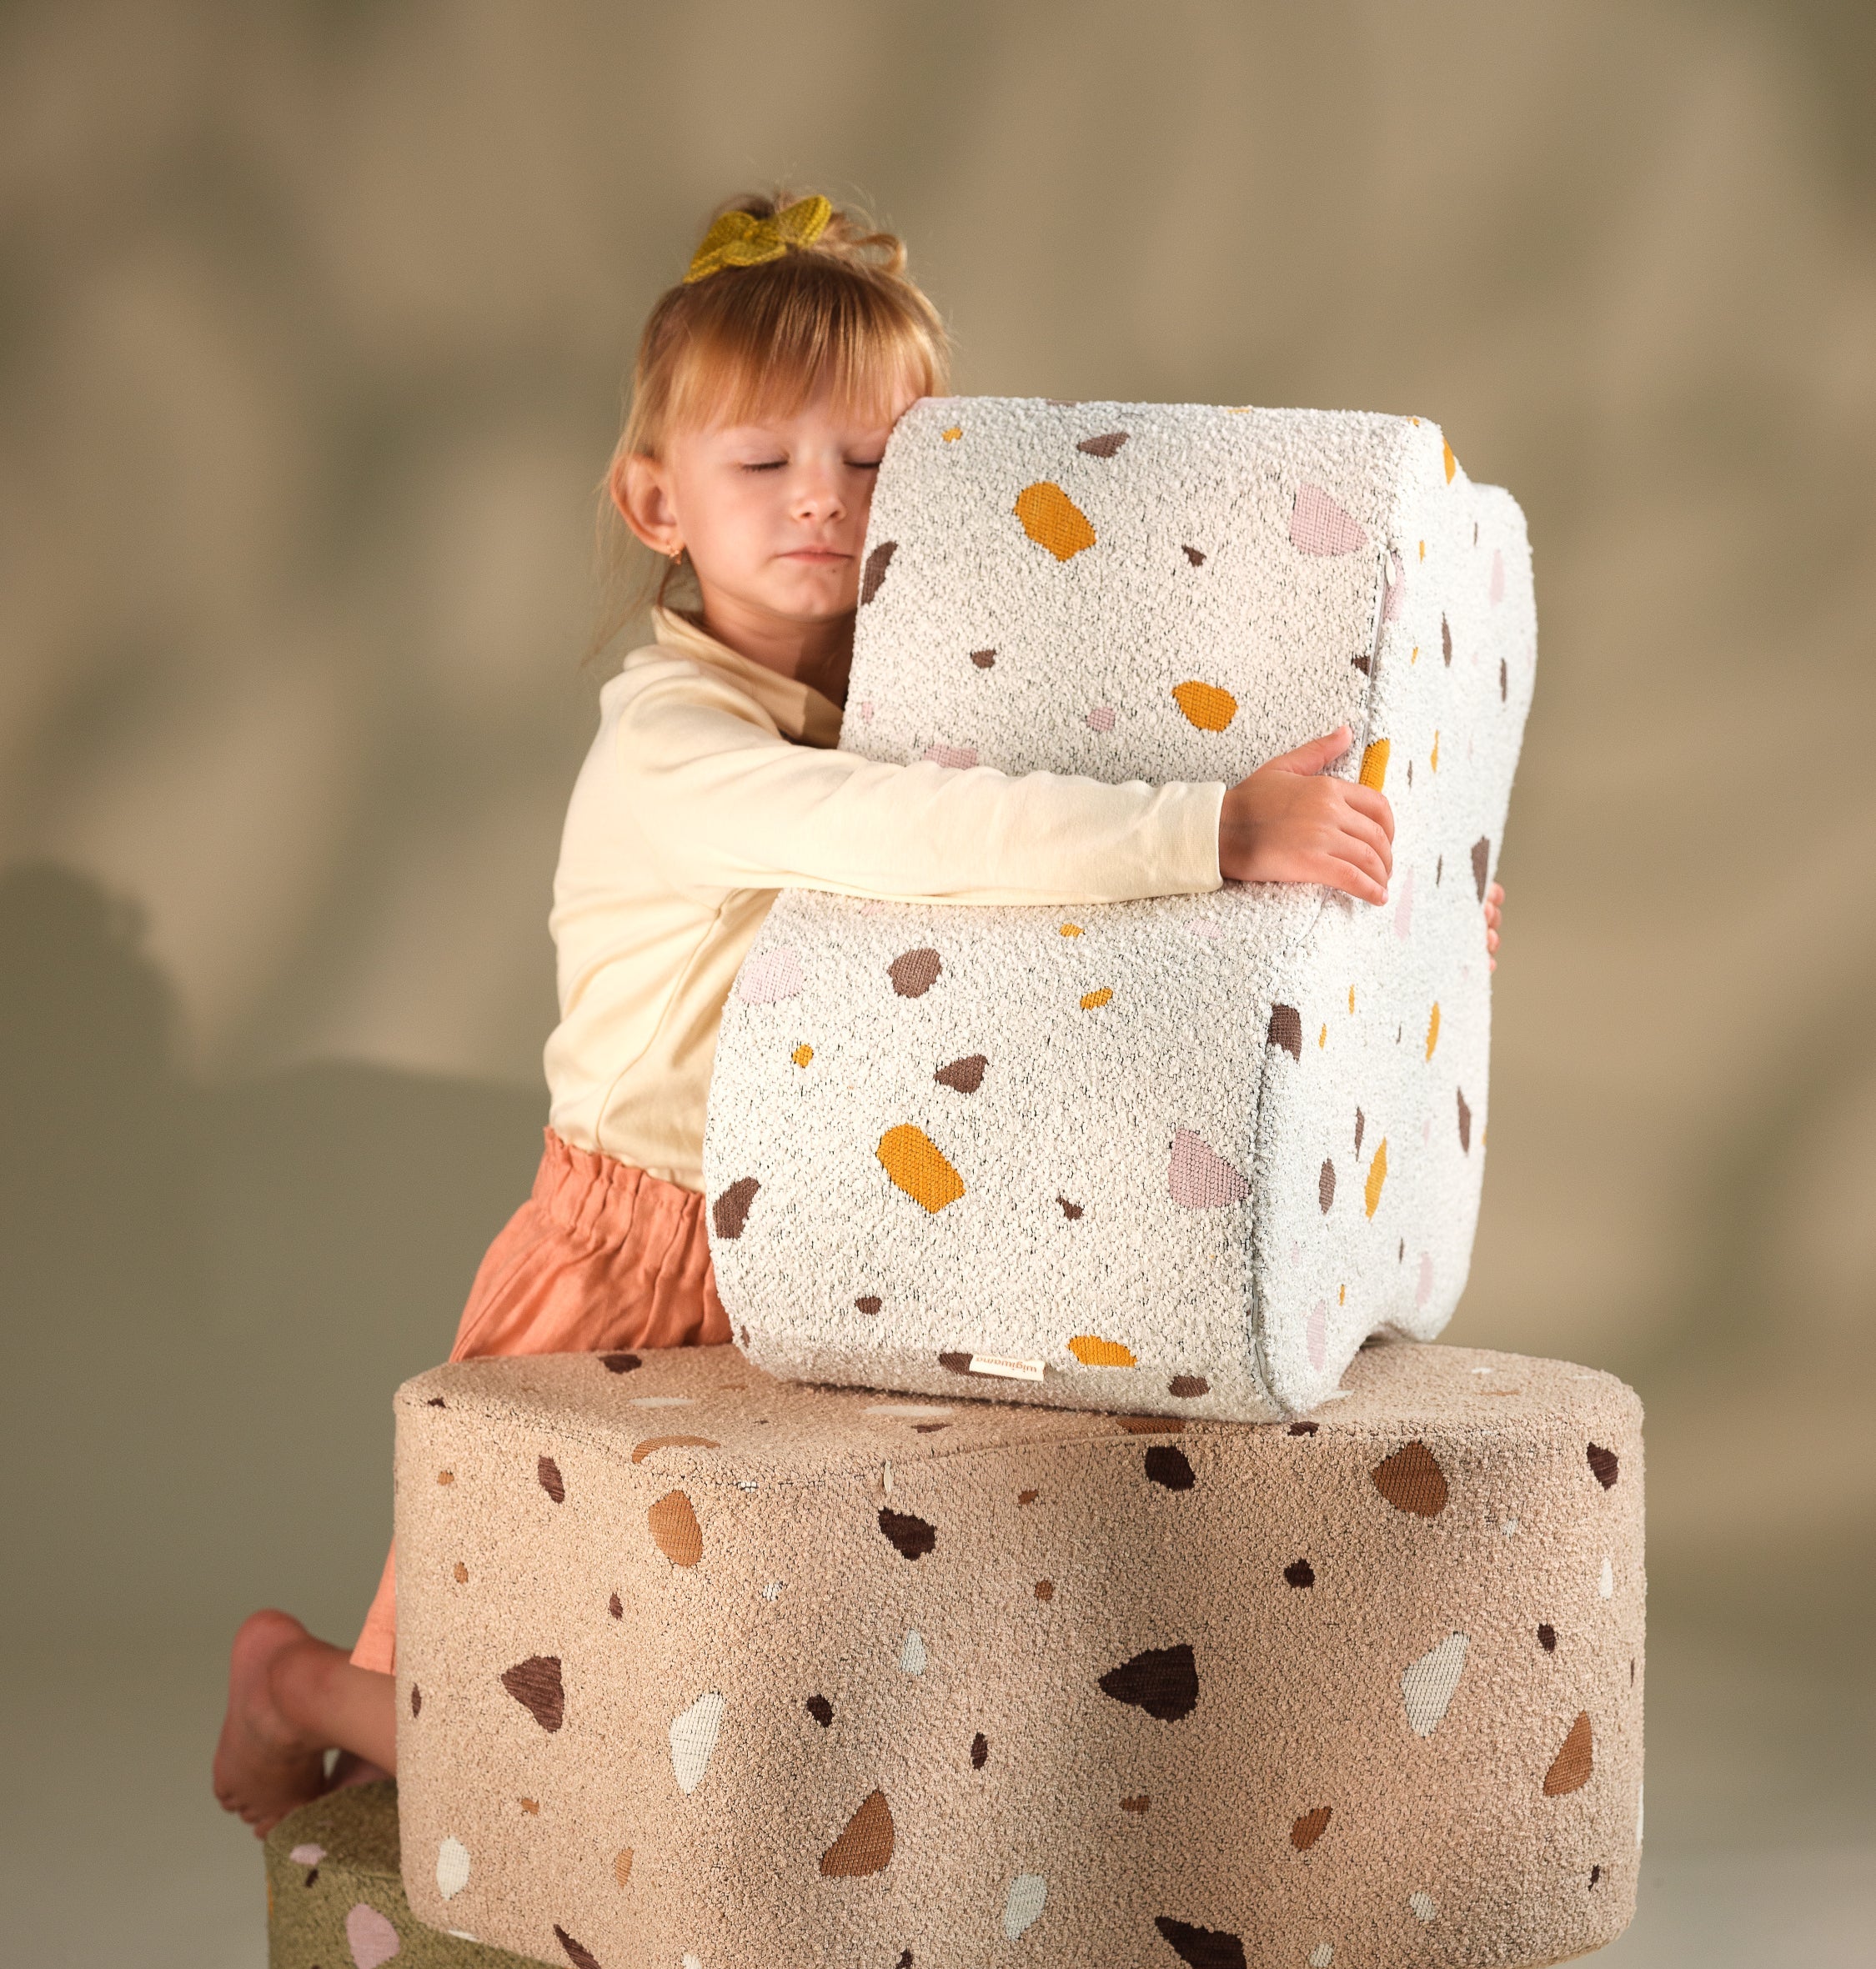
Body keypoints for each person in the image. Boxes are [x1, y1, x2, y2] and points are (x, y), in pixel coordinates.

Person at [214, 188, 1500, 1836]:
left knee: (745, 1702)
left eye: (879, 464)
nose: (824, 503)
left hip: (842, 1238)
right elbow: (939, 842)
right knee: (535, 1698)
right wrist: (1213, 829)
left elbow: (1063, 898)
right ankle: (295, 1691)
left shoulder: (919, 707)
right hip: (644, 1249)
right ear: (654, 501)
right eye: (763, 465)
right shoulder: (678, 749)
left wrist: (1387, 926)